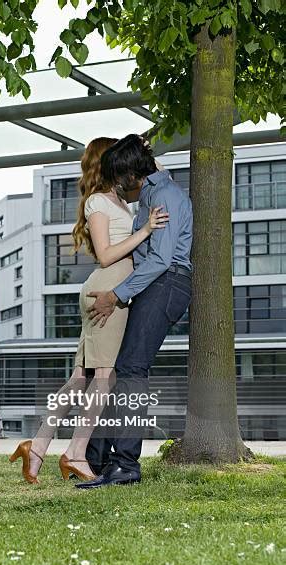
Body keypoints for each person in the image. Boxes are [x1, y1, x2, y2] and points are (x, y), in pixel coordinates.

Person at [9, 136, 169, 484]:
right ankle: (76, 453)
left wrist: (143, 152)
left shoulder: (119, 200)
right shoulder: (97, 202)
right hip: (108, 288)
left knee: (81, 378)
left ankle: (36, 447)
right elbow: (108, 253)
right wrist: (144, 230)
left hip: (111, 287)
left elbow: (158, 172)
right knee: (104, 377)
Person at [76, 134, 193, 490]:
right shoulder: (152, 193)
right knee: (123, 370)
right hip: (154, 284)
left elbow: (160, 259)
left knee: (130, 369)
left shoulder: (165, 196)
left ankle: (125, 464)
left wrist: (116, 294)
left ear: (130, 176)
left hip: (166, 283)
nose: (116, 186)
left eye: (118, 178)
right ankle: (105, 459)